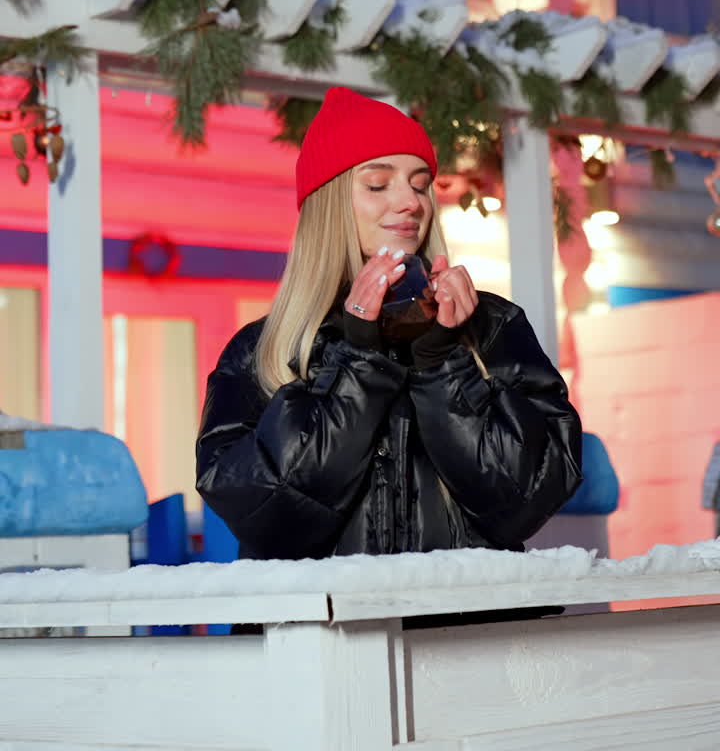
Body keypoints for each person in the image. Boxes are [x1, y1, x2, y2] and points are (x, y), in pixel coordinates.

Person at [196, 86, 582, 560]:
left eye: (420, 184)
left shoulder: (492, 325)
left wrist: (444, 362)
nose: (411, 202)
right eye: (379, 184)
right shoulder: (263, 349)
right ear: (330, 204)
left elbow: (526, 499)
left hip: (467, 627)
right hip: (325, 628)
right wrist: (358, 362)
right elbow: (269, 517)